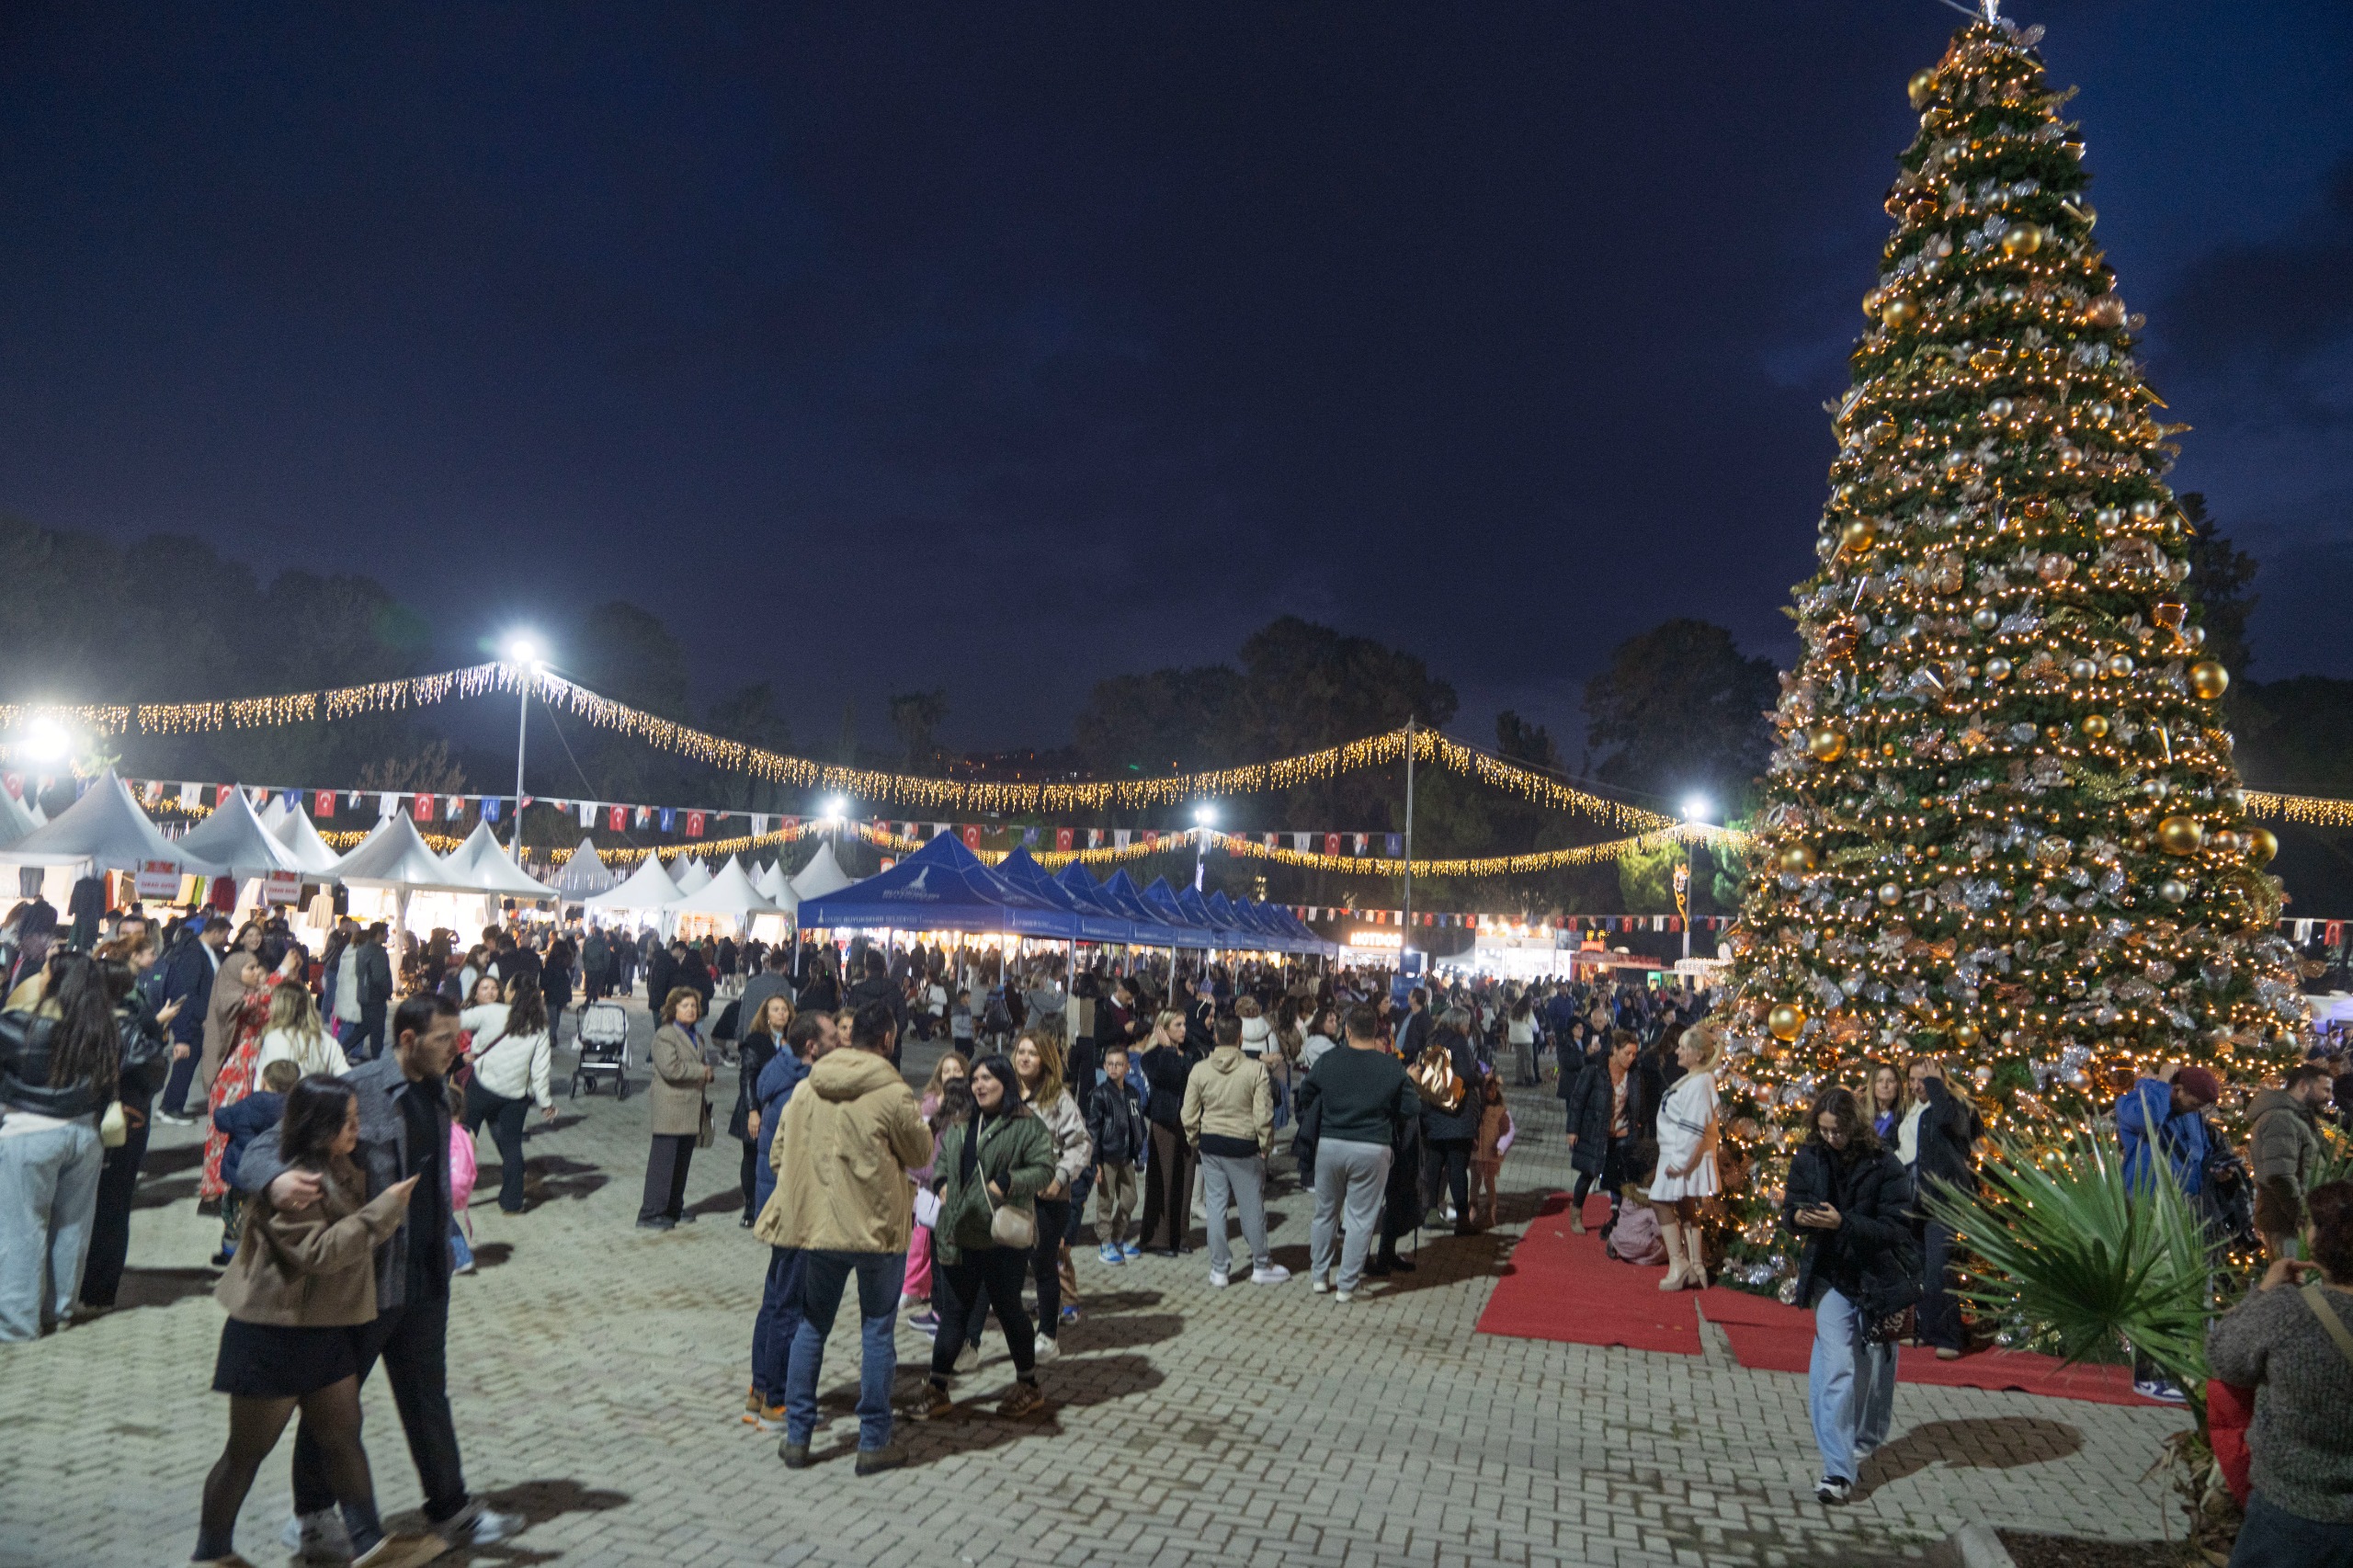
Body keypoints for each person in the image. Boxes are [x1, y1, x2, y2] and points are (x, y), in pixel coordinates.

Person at [238, 993, 522, 1557]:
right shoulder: (359, 1088)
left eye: (458, 1036)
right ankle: (313, 1517)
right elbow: (264, 1148)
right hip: (364, 1282)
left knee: (427, 1399)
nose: (457, 1048)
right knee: (334, 1405)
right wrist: (275, 1181)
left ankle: (450, 1508)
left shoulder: (437, 1089)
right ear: (408, 1040)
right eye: (444, 1039)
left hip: (426, 1276)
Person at [197, 1074, 438, 1568]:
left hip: (324, 1330)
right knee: (246, 1453)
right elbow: (318, 1253)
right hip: (273, 1334)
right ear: (319, 1126)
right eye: (347, 1121)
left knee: (344, 1437)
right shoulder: (296, 1183)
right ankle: (211, 1552)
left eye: (356, 1117)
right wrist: (383, 1213)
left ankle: (368, 1543)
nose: (357, 1129)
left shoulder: (340, 1163)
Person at [756, 1000, 930, 1473]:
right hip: (877, 1230)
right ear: (888, 1040)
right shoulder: (892, 1093)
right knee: (876, 1333)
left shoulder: (807, 1089)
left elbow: (777, 1154)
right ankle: (873, 1442)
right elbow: (920, 1153)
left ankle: (798, 1438)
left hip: (821, 1229)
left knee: (812, 1328)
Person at [2208, 1180, 2353, 1566]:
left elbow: (2224, 1357)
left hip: (2287, 1517)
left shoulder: (2289, 1311)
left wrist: (2264, 1292)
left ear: (2320, 1239)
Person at [1783, 1085, 1917, 1507]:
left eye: (1837, 1131)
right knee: (1839, 1365)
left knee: (1866, 1365)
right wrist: (1798, 1217)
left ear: (1853, 1126)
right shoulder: (1809, 1157)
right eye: (1824, 1130)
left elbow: (1896, 1228)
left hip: (1874, 1277)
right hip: (1830, 1275)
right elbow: (1790, 1210)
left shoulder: (1884, 1164)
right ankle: (1838, 1471)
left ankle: (1859, 1440)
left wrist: (1844, 1223)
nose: (1831, 1138)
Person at [919, 1054, 1052, 1423]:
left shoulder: (1026, 1124)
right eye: (975, 1079)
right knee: (953, 1314)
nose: (979, 1085)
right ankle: (937, 1388)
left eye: (987, 1078)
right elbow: (942, 1159)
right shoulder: (962, 1121)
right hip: (958, 1232)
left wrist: (1006, 1183)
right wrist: (941, 1183)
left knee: (1009, 1310)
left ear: (1005, 1083)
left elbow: (1045, 1169)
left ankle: (1028, 1384)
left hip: (1000, 1238)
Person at [0, 951, 123, 1341]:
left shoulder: (17, 1026)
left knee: (23, 1228)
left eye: (45, 971)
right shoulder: (102, 1029)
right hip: (85, 1135)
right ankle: (60, 1310)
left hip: (28, 1132)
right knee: (72, 1227)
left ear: (55, 981)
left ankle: (17, 1323)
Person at [742, 1009, 834, 1432]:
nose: (840, 1042)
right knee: (788, 1305)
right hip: (794, 1208)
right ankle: (776, 1400)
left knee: (774, 1297)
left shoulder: (779, 1074)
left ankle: (760, 1388)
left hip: (778, 1203)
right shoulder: (801, 1091)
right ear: (811, 1046)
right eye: (832, 1036)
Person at [1299, 1003, 1423, 1302]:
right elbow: (1411, 1107)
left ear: (1347, 1030)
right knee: (1360, 1219)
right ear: (1377, 1032)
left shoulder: (1329, 1060)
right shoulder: (1391, 1067)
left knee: (1325, 1213)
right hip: (1372, 1147)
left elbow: (1305, 1095)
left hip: (1331, 1144)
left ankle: (1319, 1276)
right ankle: (1346, 1284)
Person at [1182, 1016, 1286, 1287]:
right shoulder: (1255, 1069)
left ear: (1215, 1037)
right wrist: (1266, 1144)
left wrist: (1195, 1138)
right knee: (1251, 1207)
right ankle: (1261, 1264)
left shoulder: (1200, 1069)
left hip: (1211, 1143)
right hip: (1244, 1144)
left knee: (1216, 1208)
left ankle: (1219, 1269)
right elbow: (1263, 1113)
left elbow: (1188, 1112)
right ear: (1240, 1038)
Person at [1012, 1032, 1092, 1353]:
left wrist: (1059, 1178)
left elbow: (1080, 1143)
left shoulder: (1058, 1098)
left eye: (1032, 1053)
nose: (1024, 1058)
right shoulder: (1004, 1092)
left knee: (1043, 1264)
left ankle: (1047, 1335)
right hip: (1009, 1193)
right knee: (1001, 1263)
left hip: (1047, 1196)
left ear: (1045, 1059)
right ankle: (976, 1338)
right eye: (1021, 1051)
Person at [1902, 1058, 1984, 1360]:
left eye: (1923, 1079)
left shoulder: (1955, 1106)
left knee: (1939, 1268)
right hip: (1914, 1200)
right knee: (1922, 1268)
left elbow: (1949, 1122)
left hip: (1943, 1201)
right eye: (1912, 1080)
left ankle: (1950, 1336)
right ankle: (1927, 1329)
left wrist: (1936, 1086)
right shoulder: (1912, 1111)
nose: (1916, 1086)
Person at [459, 976, 555, 1217]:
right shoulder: (539, 1026)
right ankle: (512, 1203)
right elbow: (540, 1070)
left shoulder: (492, 1012)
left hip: (481, 1088)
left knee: (463, 1141)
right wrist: (545, 1102)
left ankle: (453, 1193)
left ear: (511, 992)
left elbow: (454, 1022)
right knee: (512, 1147)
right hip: (515, 1095)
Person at [1647, 1023, 1724, 1290]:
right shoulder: (1696, 1079)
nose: (1677, 1051)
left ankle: (1679, 1263)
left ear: (1698, 1054)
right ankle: (1695, 1265)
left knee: (1659, 1200)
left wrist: (1678, 1162)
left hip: (1680, 1154)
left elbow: (1693, 1127)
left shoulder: (1700, 1082)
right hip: (1680, 1153)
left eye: (1683, 1047)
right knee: (1685, 1205)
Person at [212, 1060, 303, 1266]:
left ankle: (230, 1255)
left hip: (243, 1175)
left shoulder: (248, 1105)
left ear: (263, 1081)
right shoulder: (295, 1109)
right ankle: (268, 1255)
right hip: (275, 1177)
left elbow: (221, 1120)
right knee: (272, 1218)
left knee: (235, 1216)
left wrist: (225, 1107)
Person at [639, 987, 713, 1231]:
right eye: (685, 1006)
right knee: (663, 1164)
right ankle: (651, 1212)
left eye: (693, 1005)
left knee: (681, 1163)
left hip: (690, 1107)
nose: (691, 1009)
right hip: (671, 1107)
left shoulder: (696, 1036)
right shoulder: (665, 1035)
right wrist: (701, 1072)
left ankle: (673, 1207)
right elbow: (670, 1068)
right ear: (673, 1009)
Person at [2251, 1063, 2334, 1262]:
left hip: (2297, 1222)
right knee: (2293, 1276)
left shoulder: (2297, 1118)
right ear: (2303, 1085)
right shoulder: (2280, 1119)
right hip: (2288, 1225)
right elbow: (2280, 1175)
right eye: (2325, 1090)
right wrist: (2302, 1218)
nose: (2330, 1097)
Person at [1565, 1030, 1643, 1236]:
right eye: (1627, 1053)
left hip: (1623, 1132)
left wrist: (1637, 1122)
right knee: (1589, 1172)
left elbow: (1637, 1101)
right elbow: (1578, 1100)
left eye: (1634, 1054)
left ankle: (1618, 1218)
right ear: (1614, 1050)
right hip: (1596, 1130)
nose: (1631, 1058)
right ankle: (1576, 1212)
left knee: (1619, 1176)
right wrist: (1572, 1130)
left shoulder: (1634, 1074)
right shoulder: (1595, 1070)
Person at [1417, 1006, 1484, 1236]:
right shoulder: (1458, 1041)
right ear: (1460, 1023)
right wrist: (1482, 1076)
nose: (1468, 1028)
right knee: (1457, 1167)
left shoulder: (1432, 1039)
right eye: (1466, 1024)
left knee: (1434, 1165)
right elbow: (1466, 1075)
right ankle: (1463, 1220)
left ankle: (1431, 1213)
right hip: (1457, 1115)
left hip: (1432, 1110)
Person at [1136, 1008, 1198, 1256]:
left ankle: (1179, 1236)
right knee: (1162, 1180)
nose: (1183, 1030)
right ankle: (1157, 1239)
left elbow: (1193, 1078)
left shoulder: (1192, 1053)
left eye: (1184, 1024)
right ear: (1163, 1029)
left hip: (1189, 1121)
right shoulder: (1151, 1057)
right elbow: (1170, 1077)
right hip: (1165, 1122)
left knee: (1185, 1180)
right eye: (1177, 1025)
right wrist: (1169, 1051)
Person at [158, 916, 228, 1121]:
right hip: (192, 1020)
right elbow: (188, 992)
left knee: (186, 1066)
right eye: (224, 935)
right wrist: (204, 1016)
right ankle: (170, 1108)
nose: (226, 940)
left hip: (199, 1018)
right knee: (185, 1066)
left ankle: (171, 1105)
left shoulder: (207, 952)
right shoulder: (193, 953)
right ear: (215, 932)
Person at [2116, 1062, 2219, 1199]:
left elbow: (2202, 1152)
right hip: (2148, 1200)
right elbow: (2148, 1120)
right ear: (2178, 1089)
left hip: (2186, 1201)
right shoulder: (2133, 1102)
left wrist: (2218, 1169)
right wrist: (2163, 1083)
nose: (2196, 1110)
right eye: (2194, 1104)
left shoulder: (2191, 1113)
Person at [733, 993, 793, 1227]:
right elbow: (747, 1077)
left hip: (784, 1110)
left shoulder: (794, 1041)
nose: (781, 1013)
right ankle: (750, 1206)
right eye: (775, 1009)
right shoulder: (756, 1041)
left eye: (784, 1009)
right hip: (756, 1108)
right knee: (752, 1157)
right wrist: (752, 1112)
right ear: (766, 1015)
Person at [1085, 1043, 1149, 1263]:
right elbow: (1093, 1129)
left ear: (1127, 1067)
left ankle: (1118, 1237)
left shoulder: (1132, 1093)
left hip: (1127, 1155)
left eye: (1118, 1064)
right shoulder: (1099, 1094)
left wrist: (1139, 1145)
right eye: (1110, 1064)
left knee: (1130, 1199)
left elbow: (1138, 1120)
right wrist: (1095, 1161)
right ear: (1104, 1066)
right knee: (1106, 1201)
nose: (1113, 1068)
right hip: (1107, 1156)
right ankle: (1105, 1243)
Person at [257, 982, 346, 1081]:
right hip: (319, 1089)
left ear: (280, 1007)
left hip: (288, 1090)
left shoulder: (275, 1039)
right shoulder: (327, 1040)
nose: (269, 1007)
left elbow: (263, 1081)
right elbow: (347, 1077)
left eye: (272, 1002)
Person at [1469, 1065, 1508, 1232]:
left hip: (1491, 1152)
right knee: (1475, 1179)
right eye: (1488, 1090)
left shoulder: (1500, 1110)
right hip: (1476, 1151)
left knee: (1489, 1181)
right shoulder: (1478, 1108)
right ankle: (1473, 1207)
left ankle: (1492, 1210)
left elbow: (1507, 1131)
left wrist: (1501, 1146)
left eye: (1493, 1090)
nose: (1491, 1093)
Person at [1865, 1062, 1907, 1142]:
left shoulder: (1905, 1117)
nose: (1884, 1085)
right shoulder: (1861, 1115)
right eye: (1880, 1081)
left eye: (1890, 1081)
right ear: (1873, 1085)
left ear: (1898, 1086)